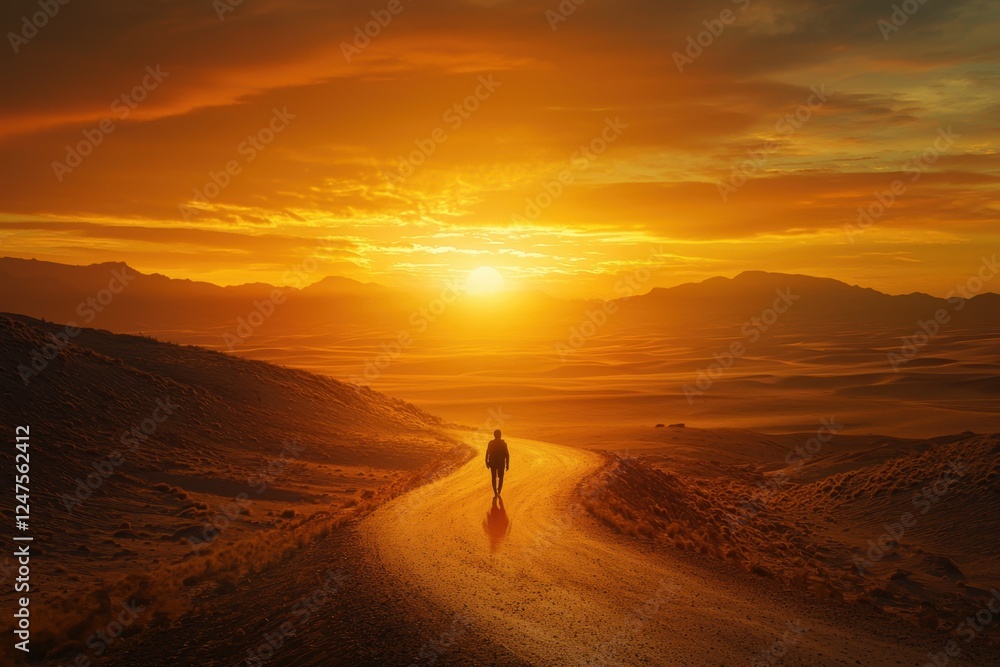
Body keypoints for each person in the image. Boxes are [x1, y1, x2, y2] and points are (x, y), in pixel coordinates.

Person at [485, 429, 509, 496]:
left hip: (492, 462)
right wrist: (507, 464)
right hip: (501, 463)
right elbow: (507, 454)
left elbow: (487, 453)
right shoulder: (503, 444)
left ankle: (495, 491)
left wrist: (486, 462)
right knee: (501, 477)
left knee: (493, 477)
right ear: (500, 435)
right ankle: (499, 491)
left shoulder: (491, 443)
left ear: (494, 435)